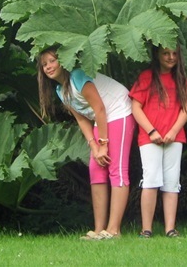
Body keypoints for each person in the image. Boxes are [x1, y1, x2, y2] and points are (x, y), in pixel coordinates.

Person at [37, 47, 136, 240]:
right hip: (102, 118)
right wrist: (94, 145)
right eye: (44, 64)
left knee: (116, 169)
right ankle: (99, 230)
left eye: (52, 61)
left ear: (62, 61)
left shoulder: (78, 76)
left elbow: (99, 108)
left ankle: (114, 230)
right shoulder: (61, 90)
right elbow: (82, 119)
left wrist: (104, 144)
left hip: (118, 111)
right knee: (96, 169)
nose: (48, 67)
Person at [129, 44, 187, 238]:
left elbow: (185, 109)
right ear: (157, 55)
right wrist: (151, 131)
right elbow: (136, 107)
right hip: (150, 138)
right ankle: (146, 230)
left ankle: (170, 229)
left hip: (174, 138)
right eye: (166, 53)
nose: (170, 57)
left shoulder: (181, 79)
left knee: (172, 182)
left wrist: (174, 131)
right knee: (150, 180)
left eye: (174, 54)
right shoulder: (147, 77)